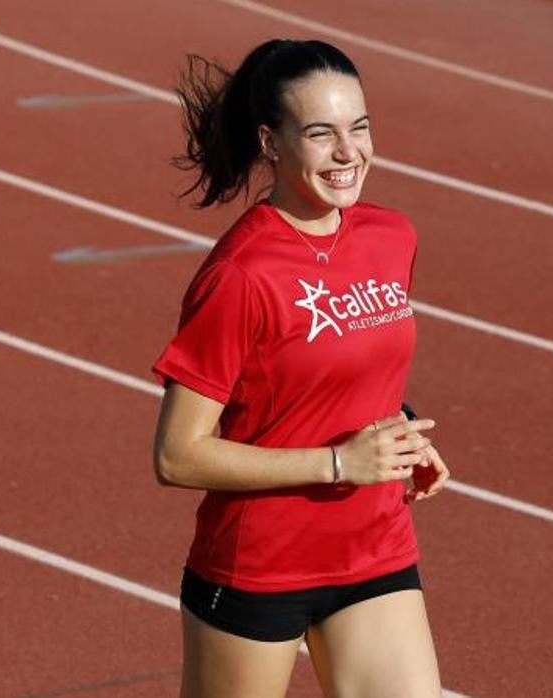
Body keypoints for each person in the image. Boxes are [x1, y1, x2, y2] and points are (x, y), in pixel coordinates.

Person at [150, 39, 451, 698]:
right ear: (272, 142)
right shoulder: (241, 275)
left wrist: (400, 433)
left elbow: (340, 366)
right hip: (259, 570)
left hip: (376, 550)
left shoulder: (391, 237)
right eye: (321, 134)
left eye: (360, 128)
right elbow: (177, 455)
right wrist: (340, 463)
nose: (349, 152)